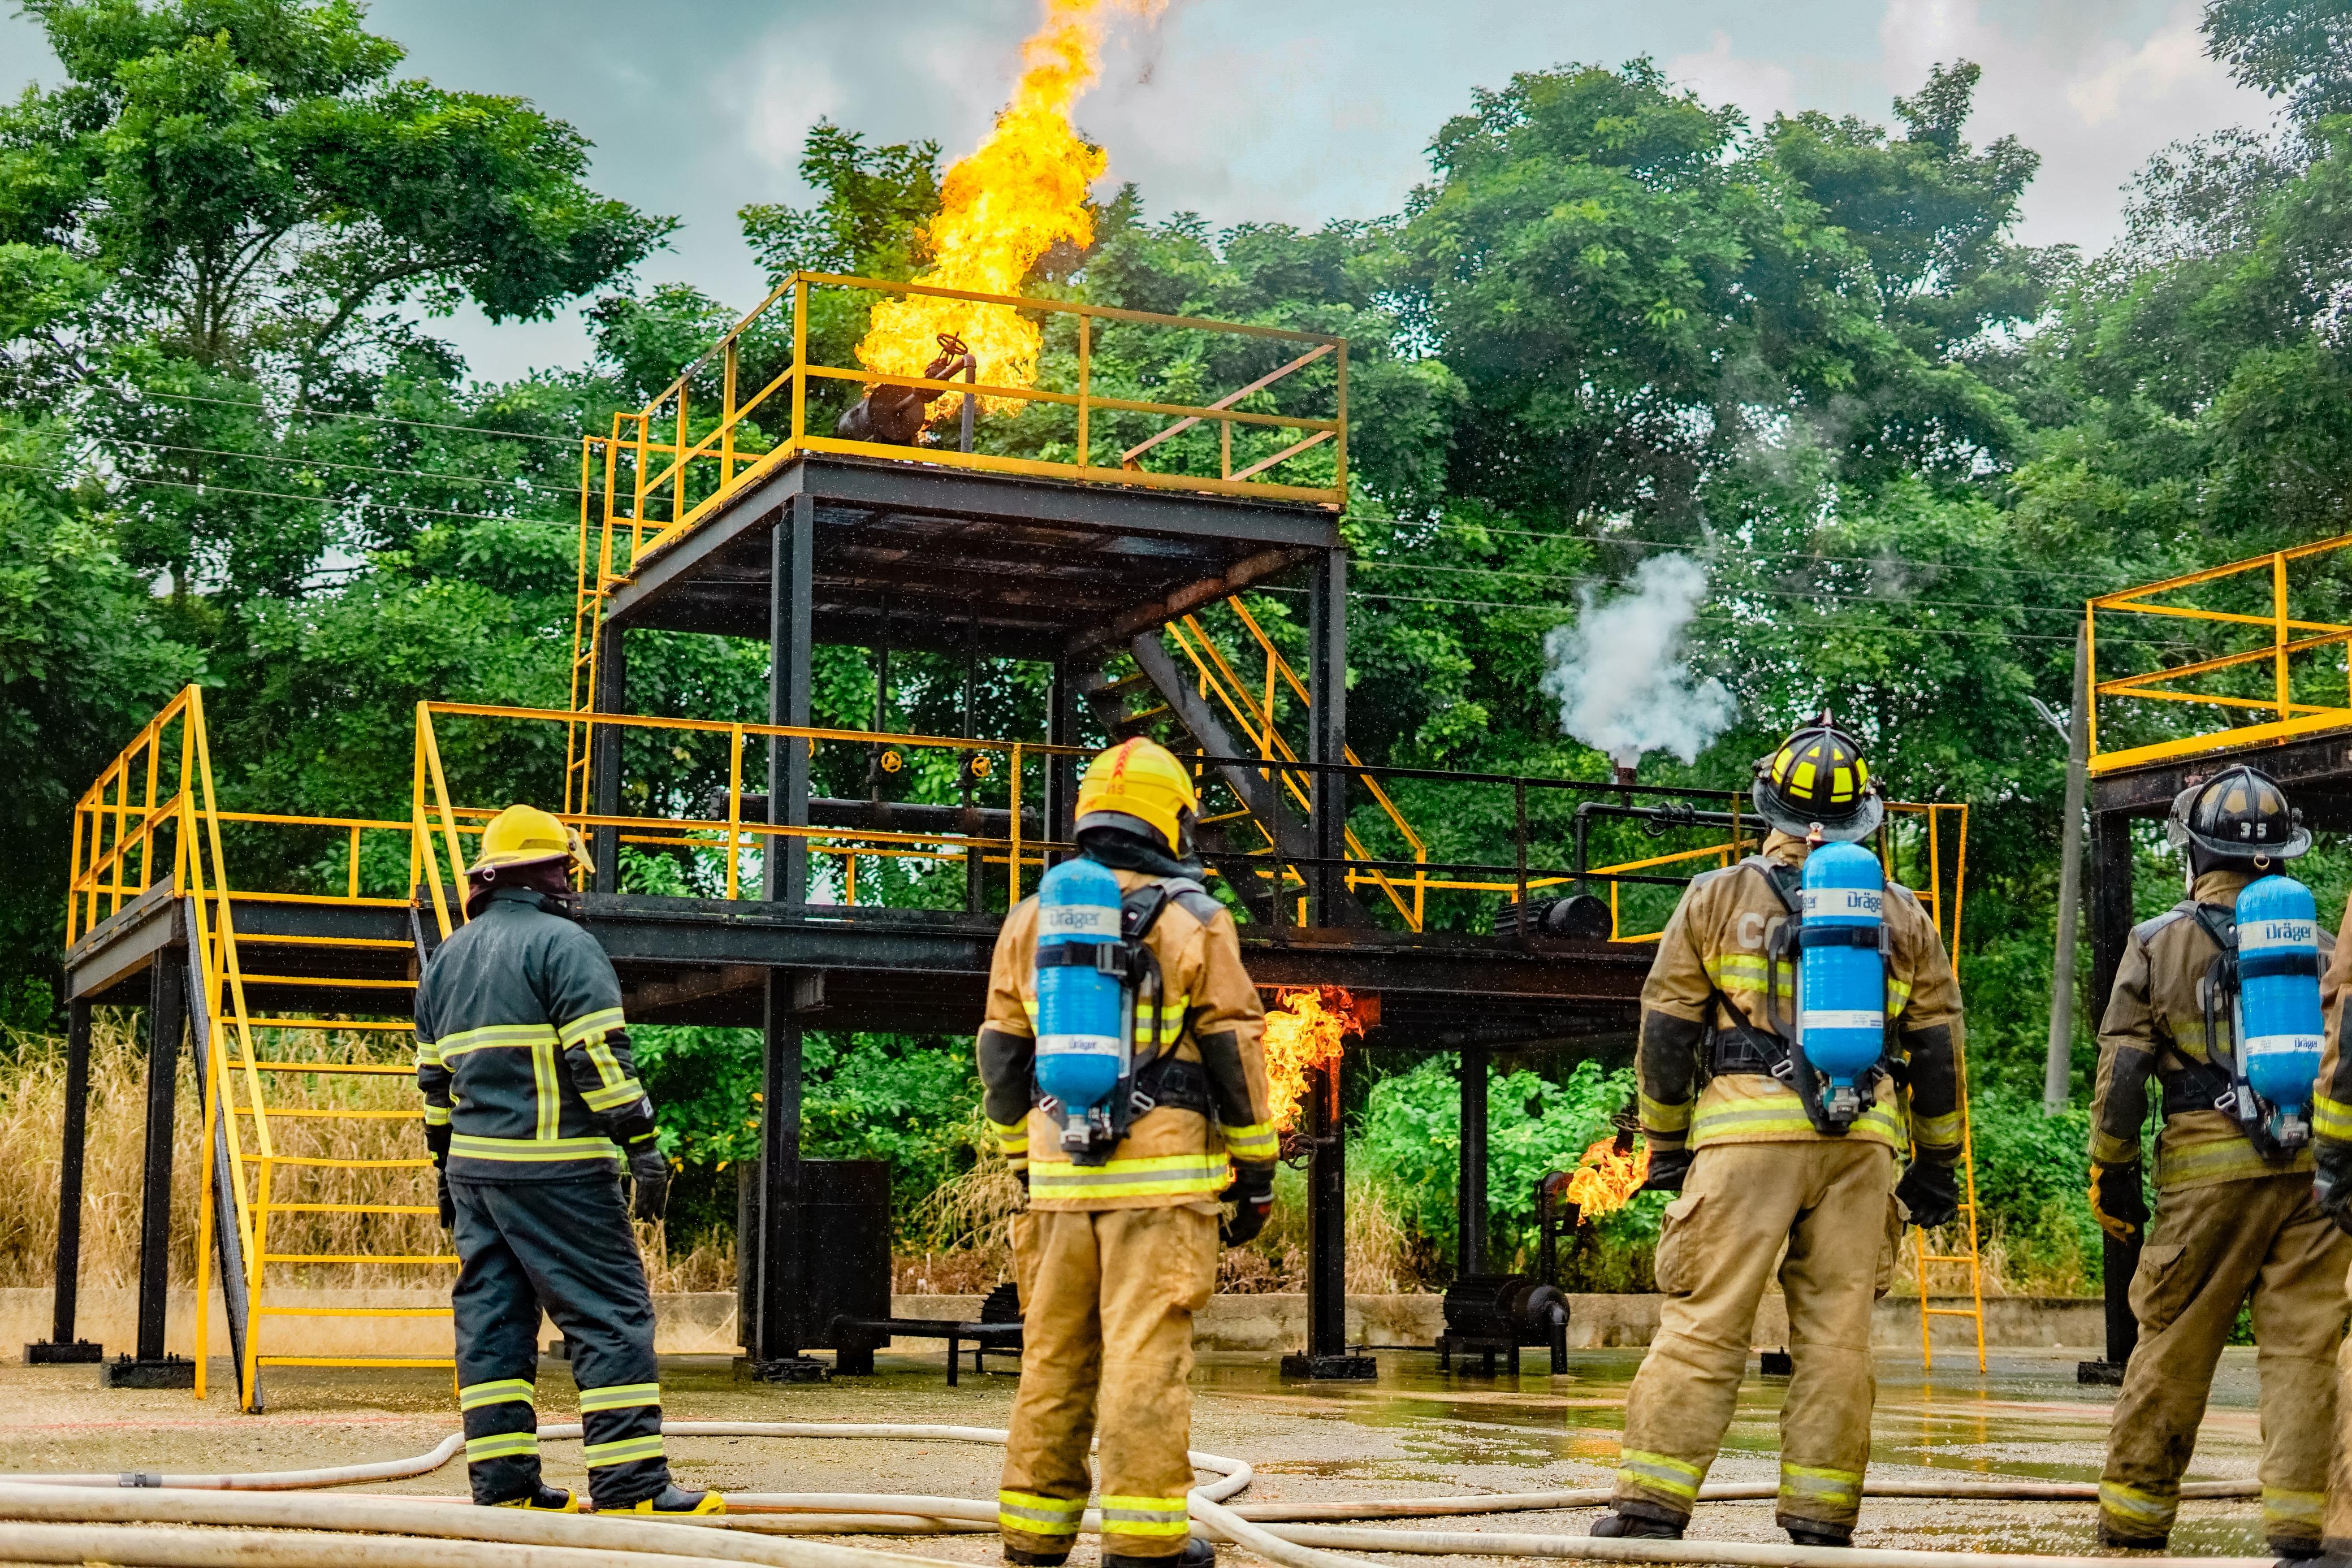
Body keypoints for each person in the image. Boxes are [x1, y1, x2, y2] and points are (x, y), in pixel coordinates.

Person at [1592, 714, 1965, 1548]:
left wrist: (1665, 1143)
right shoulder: (1903, 914)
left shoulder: (1715, 896)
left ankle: (1650, 1508)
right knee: (1837, 1338)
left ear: (1769, 804)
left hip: (1743, 1138)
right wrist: (1937, 1160)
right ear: (1865, 815)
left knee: (1706, 1320)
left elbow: (1667, 1032)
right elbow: (1938, 1050)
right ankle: (1822, 1521)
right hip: (1861, 1144)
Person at [979, 738, 1277, 1568]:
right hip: (1160, 1188)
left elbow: (1001, 1054)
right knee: (1144, 1361)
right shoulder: (1194, 919)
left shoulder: (1029, 919)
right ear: (1169, 819)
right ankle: (1145, 1546)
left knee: (1053, 1359)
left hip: (1056, 1184)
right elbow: (1233, 1048)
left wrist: (1022, 1159)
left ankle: (1033, 1536)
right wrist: (1255, 1167)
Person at [413, 803, 721, 1517]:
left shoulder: (448, 959)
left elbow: (434, 1084)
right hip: (559, 1171)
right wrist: (641, 1145)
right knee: (610, 1316)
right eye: (564, 868)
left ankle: (505, 1489)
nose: (571, 882)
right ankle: (632, 1486)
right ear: (543, 872)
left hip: (475, 1175)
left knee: (493, 1324)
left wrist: (444, 1170)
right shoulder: (566, 945)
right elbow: (598, 1056)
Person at [2090, 765, 2345, 1558]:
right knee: (2306, 1347)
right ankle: (2301, 1527)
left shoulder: (2157, 942)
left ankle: (2135, 1516)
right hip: (2310, 1170)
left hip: (2205, 1172)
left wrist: (2112, 1172)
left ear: (2196, 851)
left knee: (2174, 1338)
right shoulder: (2325, 948)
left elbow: (2123, 1074)